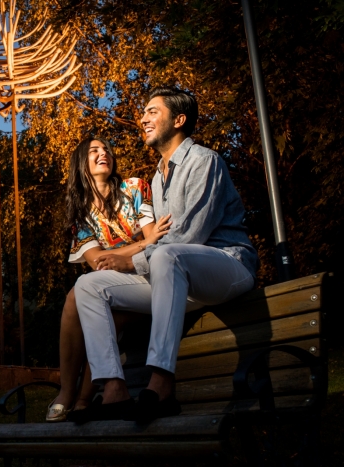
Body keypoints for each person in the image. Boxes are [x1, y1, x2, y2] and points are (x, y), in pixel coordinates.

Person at [69, 86, 258, 424]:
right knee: (89, 285)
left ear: (179, 119)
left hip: (227, 266)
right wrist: (141, 256)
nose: (143, 118)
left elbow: (189, 236)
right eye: (144, 112)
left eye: (153, 111)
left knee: (165, 256)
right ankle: (113, 390)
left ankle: (161, 385)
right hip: (178, 278)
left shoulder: (203, 161)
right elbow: (164, 242)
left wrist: (130, 261)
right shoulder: (158, 177)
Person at [46, 137, 171, 422]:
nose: (104, 153)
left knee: (77, 295)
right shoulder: (81, 214)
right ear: (81, 163)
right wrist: (140, 243)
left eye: (106, 150)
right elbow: (97, 261)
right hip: (112, 290)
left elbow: (154, 240)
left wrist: (133, 249)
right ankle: (77, 397)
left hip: (148, 277)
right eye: (94, 151)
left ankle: (72, 396)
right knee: (96, 309)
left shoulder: (135, 188)